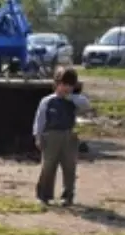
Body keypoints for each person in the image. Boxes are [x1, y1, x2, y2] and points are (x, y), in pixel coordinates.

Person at [33, 67, 91, 207]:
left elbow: (86, 105)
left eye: (70, 85)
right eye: (63, 84)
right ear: (57, 83)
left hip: (68, 135)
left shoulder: (74, 100)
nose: (66, 88)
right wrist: (38, 136)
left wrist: (71, 97)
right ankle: (44, 194)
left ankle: (68, 194)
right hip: (51, 136)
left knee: (69, 166)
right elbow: (40, 119)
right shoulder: (48, 101)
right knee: (48, 166)